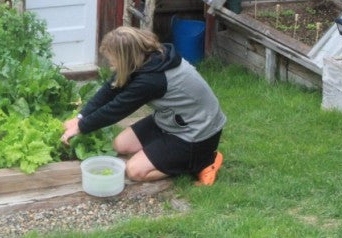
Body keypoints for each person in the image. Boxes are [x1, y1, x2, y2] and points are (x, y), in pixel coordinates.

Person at [61, 26, 226, 185]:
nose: (112, 65)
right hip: (171, 120)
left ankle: (203, 162)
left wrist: (80, 127)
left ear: (126, 57)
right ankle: (167, 153)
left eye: (113, 60)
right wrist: (80, 117)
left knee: (134, 171)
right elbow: (110, 89)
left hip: (197, 133)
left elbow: (115, 110)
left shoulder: (152, 80)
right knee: (120, 145)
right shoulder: (147, 57)